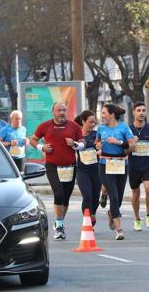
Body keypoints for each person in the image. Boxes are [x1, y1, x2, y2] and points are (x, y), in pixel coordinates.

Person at [30, 102, 84, 240]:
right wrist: (41, 147)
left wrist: (75, 144)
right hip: (53, 165)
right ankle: (59, 225)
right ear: (53, 111)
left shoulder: (74, 126)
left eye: (64, 110)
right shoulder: (45, 126)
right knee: (58, 194)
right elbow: (33, 140)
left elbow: (84, 143)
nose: (62, 113)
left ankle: (59, 221)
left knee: (65, 198)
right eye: (59, 110)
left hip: (70, 166)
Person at [96, 103, 137, 240]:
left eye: (104, 113)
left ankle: (111, 213)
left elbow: (133, 146)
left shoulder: (124, 127)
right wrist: (98, 145)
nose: (102, 116)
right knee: (113, 196)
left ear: (112, 114)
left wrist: (119, 143)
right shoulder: (101, 128)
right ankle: (119, 230)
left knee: (118, 199)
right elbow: (96, 143)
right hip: (105, 164)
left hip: (121, 164)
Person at [128, 102, 149, 231]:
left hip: (147, 164)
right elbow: (125, 148)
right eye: (138, 110)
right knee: (135, 194)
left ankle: (148, 214)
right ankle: (137, 218)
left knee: (148, 189)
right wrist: (131, 146)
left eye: (143, 110)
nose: (141, 113)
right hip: (134, 165)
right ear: (134, 112)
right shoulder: (128, 130)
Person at [74, 110, 102, 226]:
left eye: (94, 122)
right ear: (83, 121)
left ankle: (93, 213)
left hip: (96, 171)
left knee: (95, 198)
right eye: (90, 122)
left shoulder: (97, 135)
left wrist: (100, 148)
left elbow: (103, 148)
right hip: (82, 171)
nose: (92, 125)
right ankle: (87, 222)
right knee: (87, 196)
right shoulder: (77, 136)